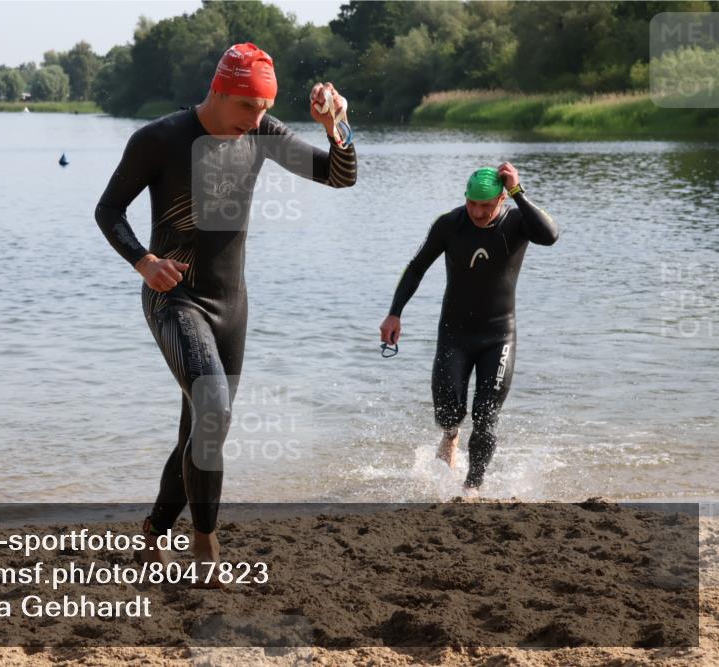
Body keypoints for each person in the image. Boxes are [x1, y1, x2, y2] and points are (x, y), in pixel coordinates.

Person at [95, 43, 357, 573]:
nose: (255, 119)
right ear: (218, 91)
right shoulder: (159, 139)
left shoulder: (260, 132)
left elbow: (339, 175)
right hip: (175, 298)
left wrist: (338, 127)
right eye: (245, 107)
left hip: (231, 306)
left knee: (202, 424)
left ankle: (153, 531)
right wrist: (143, 261)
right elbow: (108, 210)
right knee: (212, 409)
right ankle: (206, 543)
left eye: (262, 108)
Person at [379, 164, 558, 493]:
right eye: (471, 203)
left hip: (499, 335)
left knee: (486, 415)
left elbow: (551, 235)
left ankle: (472, 487)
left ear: (502, 198)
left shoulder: (518, 222)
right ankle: (450, 435)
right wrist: (394, 313)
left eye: (486, 206)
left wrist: (519, 191)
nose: (477, 212)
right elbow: (416, 267)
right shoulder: (450, 224)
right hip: (455, 333)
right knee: (448, 410)